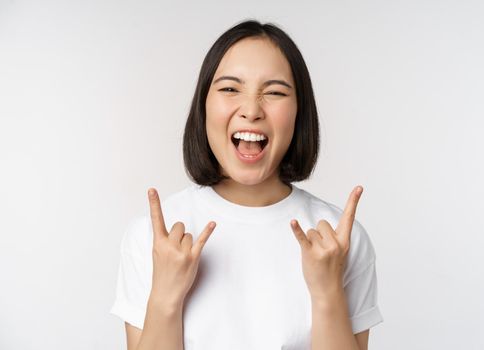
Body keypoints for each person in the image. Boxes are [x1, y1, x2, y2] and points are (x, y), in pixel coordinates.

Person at [110, 19, 383, 350]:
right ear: (203, 106)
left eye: (274, 92)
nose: (252, 110)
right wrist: (165, 299)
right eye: (229, 89)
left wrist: (327, 295)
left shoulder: (340, 239)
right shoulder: (153, 237)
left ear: (299, 112)